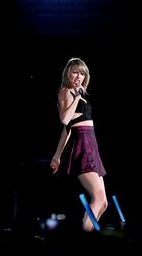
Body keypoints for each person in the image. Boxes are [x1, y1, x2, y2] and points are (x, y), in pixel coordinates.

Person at [50, 57, 108, 232]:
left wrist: (57, 156)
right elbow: (65, 121)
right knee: (97, 197)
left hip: (92, 145)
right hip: (81, 145)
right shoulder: (65, 91)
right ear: (68, 73)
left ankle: (89, 232)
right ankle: (84, 240)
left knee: (103, 202)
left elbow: (65, 132)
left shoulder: (82, 95)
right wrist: (76, 97)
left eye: (82, 73)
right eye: (75, 72)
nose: (78, 76)